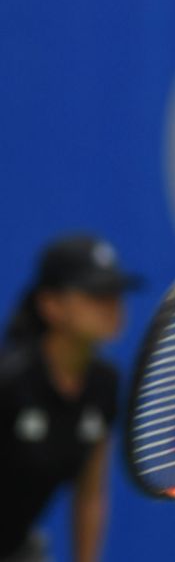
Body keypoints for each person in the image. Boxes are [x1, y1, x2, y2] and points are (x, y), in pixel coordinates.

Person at [0, 234, 141, 562]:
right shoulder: (10, 382)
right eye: (96, 293)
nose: (112, 304)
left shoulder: (104, 385)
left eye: (115, 292)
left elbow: (90, 493)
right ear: (51, 305)